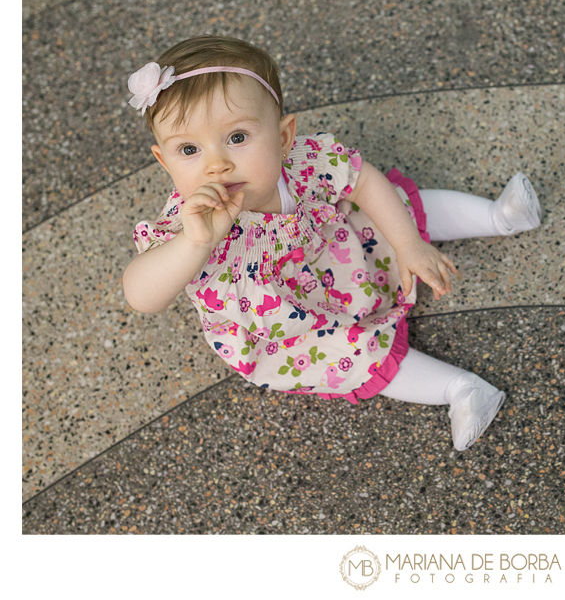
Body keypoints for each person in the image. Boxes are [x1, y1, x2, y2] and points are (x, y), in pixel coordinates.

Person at [123, 35, 542, 451]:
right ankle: (461, 390)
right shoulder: (187, 226)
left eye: (237, 138)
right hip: (293, 319)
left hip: (338, 247)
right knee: (350, 353)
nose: (217, 164)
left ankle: (498, 216)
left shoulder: (302, 163)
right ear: (164, 160)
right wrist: (194, 244)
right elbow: (141, 294)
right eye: (190, 149)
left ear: (283, 137)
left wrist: (408, 243)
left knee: (391, 208)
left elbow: (362, 180)